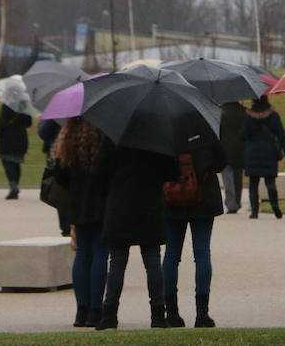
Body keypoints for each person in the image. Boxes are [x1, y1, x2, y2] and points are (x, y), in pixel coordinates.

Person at [93, 139, 179, 330]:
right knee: (153, 262)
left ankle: (109, 314)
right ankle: (158, 314)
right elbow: (173, 172)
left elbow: (98, 173)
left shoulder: (113, 138)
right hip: (149, 206)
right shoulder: (158, 139)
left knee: (116, 263)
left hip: (120, 205)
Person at [162, 141, 228, 327]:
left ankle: (172, 312)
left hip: (172, 196)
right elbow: (221, 162)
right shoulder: (206, 127)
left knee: (171, 254)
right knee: (202, 253)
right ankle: (202, 313)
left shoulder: (165, 126)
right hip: (204, 196)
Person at [52, 116, 109, 328]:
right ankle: (96, 309)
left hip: (76, 204)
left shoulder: (67, 139)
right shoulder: (102, 136)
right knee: (100, 253)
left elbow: (59, 174)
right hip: (100, 203)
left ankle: (81, 310)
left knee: (82, 254)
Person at [242, 96, 285, 219]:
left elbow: (242, 135)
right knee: (270, 181)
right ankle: (275, 207)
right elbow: (282, 135)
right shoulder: (273, 115)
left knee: (253, 183)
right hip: (269, 152)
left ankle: (254, 212)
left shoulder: (248, 116)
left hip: (252, 152)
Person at [0, 104, 32, 200]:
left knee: (6, 160)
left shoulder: (6, 105)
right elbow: (29, 123)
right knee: (17, 162)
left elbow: (1, 124)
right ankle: (15, 185)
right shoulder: (24, 105)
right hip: (21, 137)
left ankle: (13, 185)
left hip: (7, 137)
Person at [38, 117, 69, 233]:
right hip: (60, 157)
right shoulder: (57, 111)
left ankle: (67, 226)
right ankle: (67, 226)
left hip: (65, 155)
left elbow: (43, 132)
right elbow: (43, 132)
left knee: (62, 190)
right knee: (61, 189)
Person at [219, 101, 247, 213]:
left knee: (227, 178)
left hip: (225, 149)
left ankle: (231, 204)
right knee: (238, 177)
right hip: (240, 149)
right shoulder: (244, 111)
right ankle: (237, 201)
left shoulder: (220, 112)